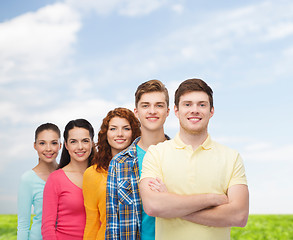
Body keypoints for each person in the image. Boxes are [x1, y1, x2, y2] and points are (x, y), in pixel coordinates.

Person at [139, 78, 249, 240]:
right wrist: (212, 199)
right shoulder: (156, 154)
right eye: (187, 104)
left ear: (211, 111)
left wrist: (172, 207)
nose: (195, 110)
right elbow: (154, 206)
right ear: (176, 110)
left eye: (202, 104)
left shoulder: (231, 157)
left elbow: (239, 216)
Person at [105, 80, 170, 240]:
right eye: (146, 105)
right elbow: (113, 224)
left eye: (159, 105)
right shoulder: (119, 163)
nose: (152, 111)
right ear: (136, 112)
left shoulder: (182, 156)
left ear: (168, 111)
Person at [82, 108, 141, 240]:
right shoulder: (92, 173)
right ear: (105, 134)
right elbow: (92, 222)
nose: (119, 134)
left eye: (126, 128)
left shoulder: (143, 166)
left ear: (134, 133)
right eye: (113, 129)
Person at [41, 119, 97, 240]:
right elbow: (47, 227)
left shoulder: (101, 175)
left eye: (85, 141)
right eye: (73, 142)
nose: (80, 147)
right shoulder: (56, 179)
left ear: (92, 143)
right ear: (66, 145)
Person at [17, 123, 61, 240]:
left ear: (61, 145)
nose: (48, 149)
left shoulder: (66, 174)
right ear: (35, 146)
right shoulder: (27, 179)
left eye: (53, 143)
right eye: (42, 143)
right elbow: (23, 224)